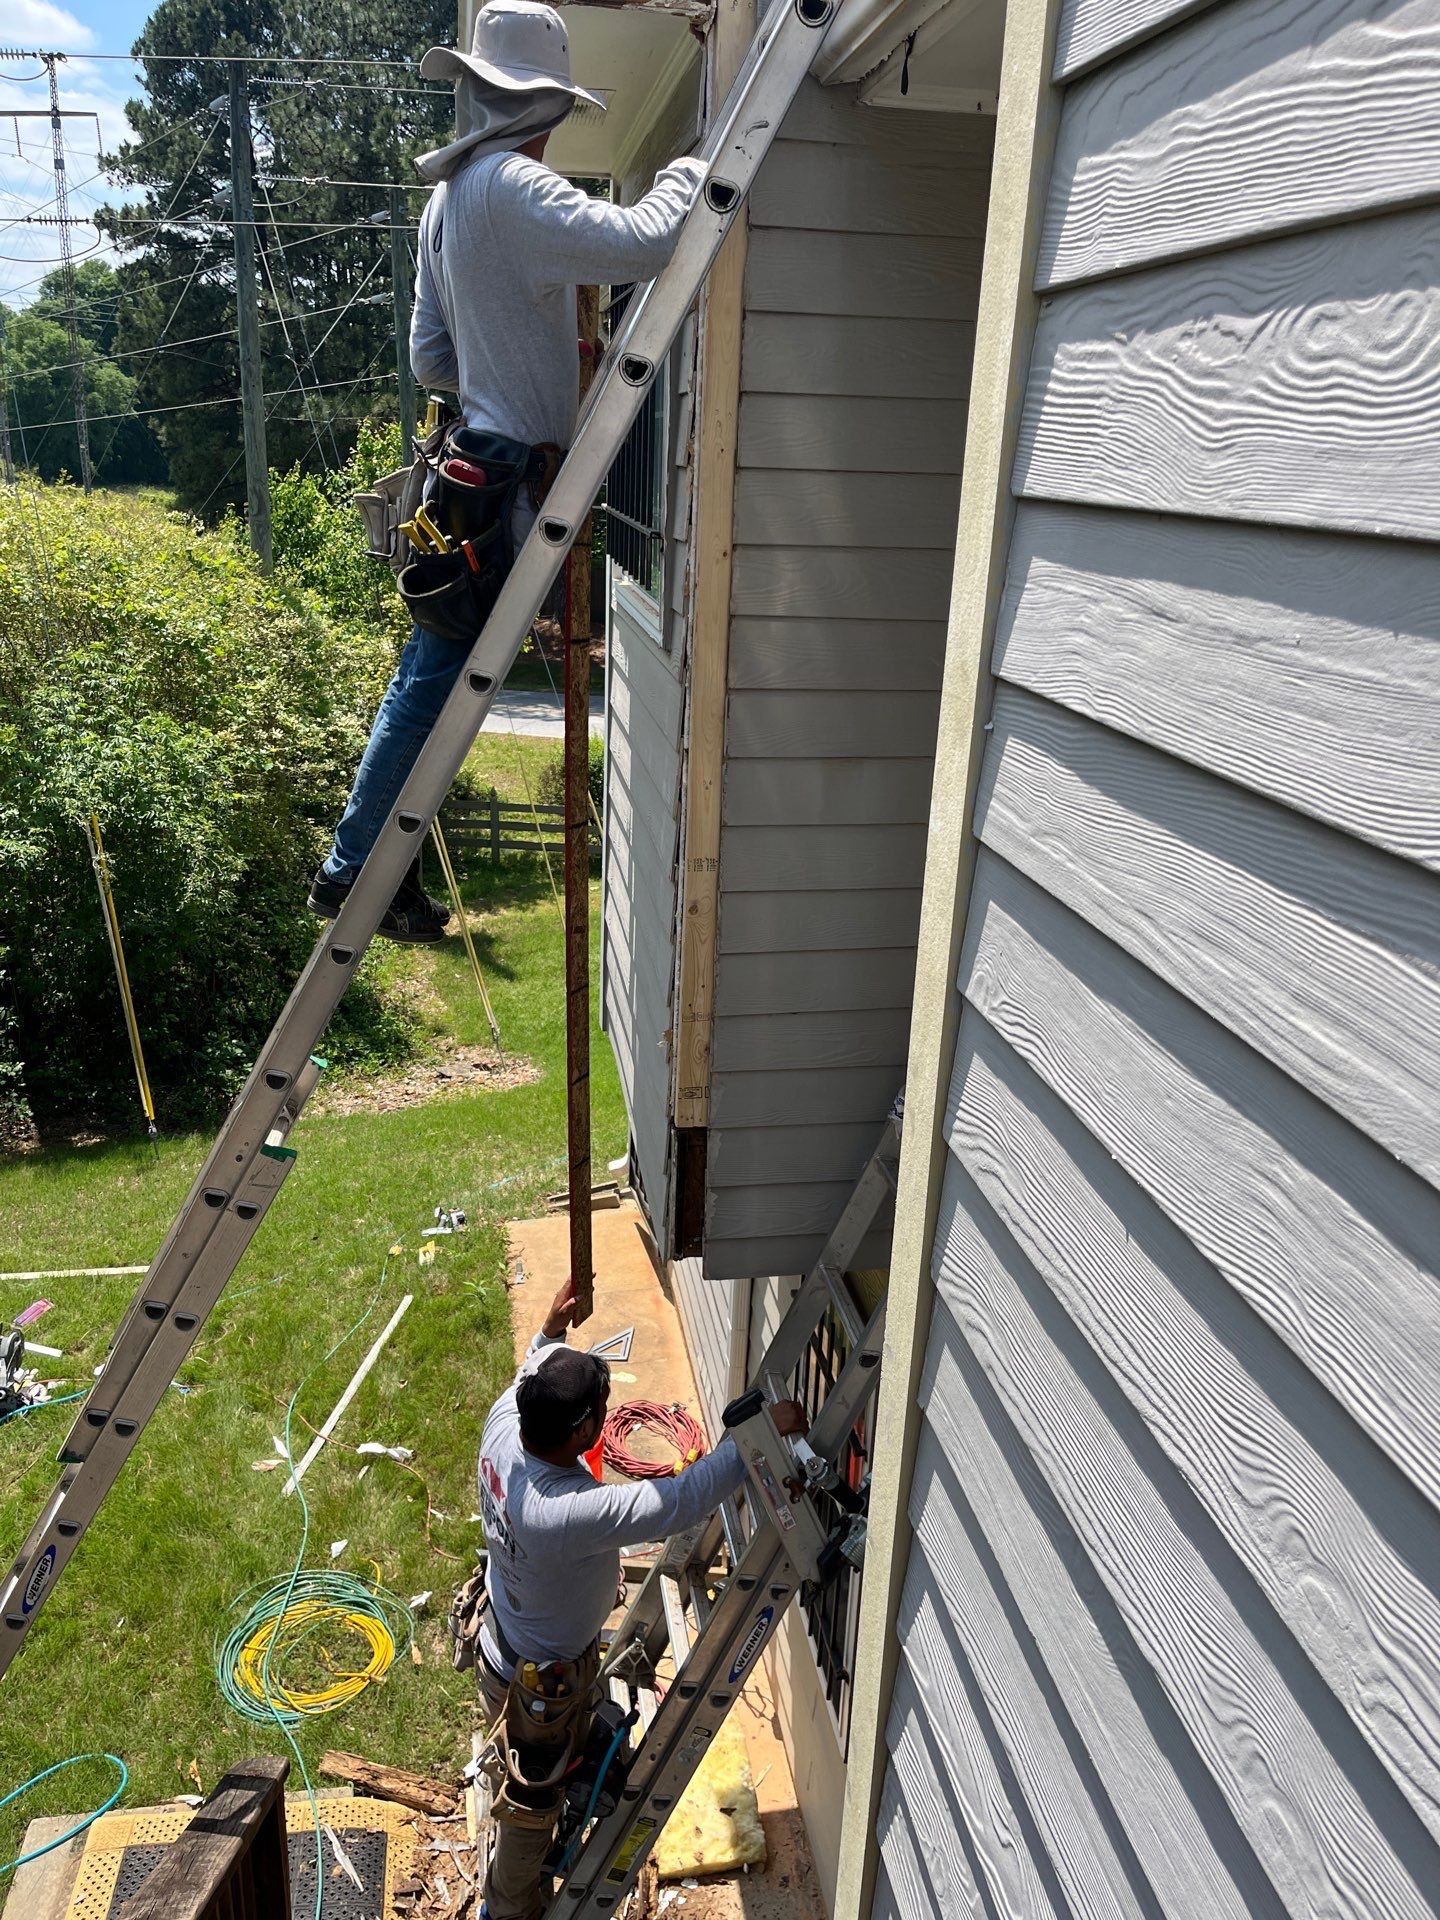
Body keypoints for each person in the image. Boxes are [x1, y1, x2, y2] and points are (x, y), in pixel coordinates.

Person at [309, 0, 707, 941]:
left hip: (469, 471)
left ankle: (367, 868)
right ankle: (354, 868)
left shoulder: (446, 203)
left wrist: (508, 350)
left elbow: (430, 361)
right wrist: (692, 168)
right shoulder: (517, 193)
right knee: (438, 677)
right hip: (514, 484)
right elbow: (649, 239)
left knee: (432, 677)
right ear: (541, 107)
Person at [471, 1275, 806, 1920]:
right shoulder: (560, 1510)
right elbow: (676, 1502)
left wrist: (549, 1327)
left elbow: (528, 1370)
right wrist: (752, 1442)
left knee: (578, 1753)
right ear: (582, 1433)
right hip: (537, 1691)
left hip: (519, 1641)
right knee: (528, 1815)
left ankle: (581, 1771)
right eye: (600, 1407)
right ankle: (509, 1911)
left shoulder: (506, 1425)